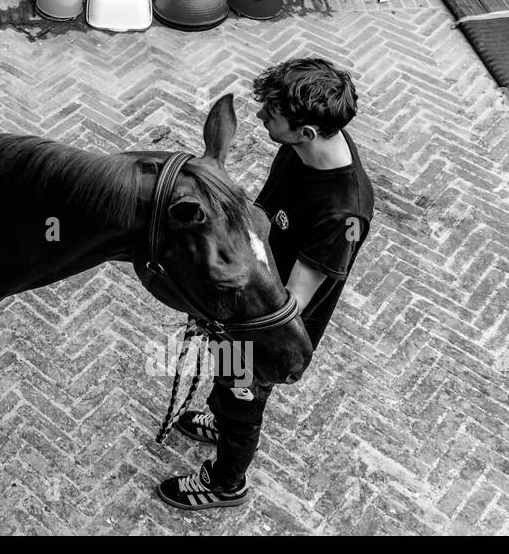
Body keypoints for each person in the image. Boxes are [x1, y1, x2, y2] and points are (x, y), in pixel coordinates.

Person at [158, 57, 376, 510]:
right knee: (225, 383)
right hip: (246, 298)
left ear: (307, 131)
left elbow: (291, 302)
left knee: (243, 402)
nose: (260, 118)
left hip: (263, 332)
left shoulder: (342, 213)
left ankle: (226, 483)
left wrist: (224, 316)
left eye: (270, 116)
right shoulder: (302, 147)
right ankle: (221, 417)